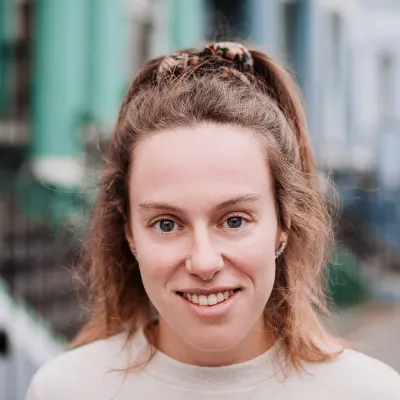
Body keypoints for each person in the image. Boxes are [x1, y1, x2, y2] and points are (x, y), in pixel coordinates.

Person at [26, 42, 400, 399]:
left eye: (234, 221)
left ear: (283, 223)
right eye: (167, 224)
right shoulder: (66, 391)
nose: (204, 262)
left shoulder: (368, 393)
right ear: (129, 234)